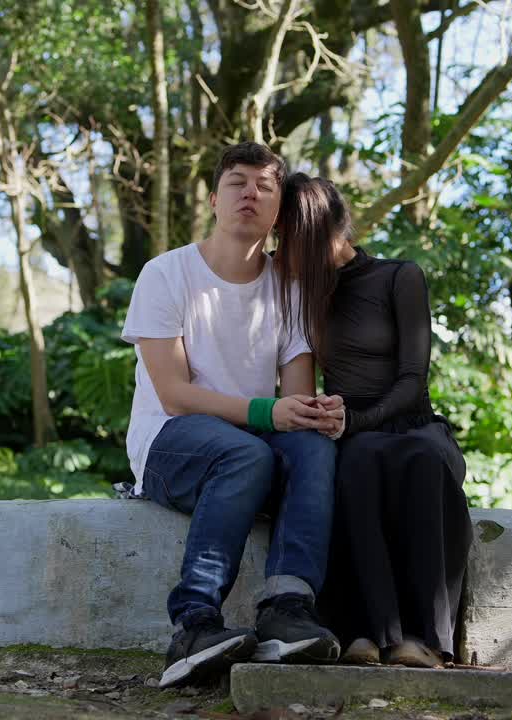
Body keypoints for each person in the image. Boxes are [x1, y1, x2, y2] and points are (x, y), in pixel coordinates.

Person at [122, 144, 344, 688]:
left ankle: (286, 609)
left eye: (265, 186)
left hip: (249, 451)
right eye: (236, 183)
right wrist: (270, 412)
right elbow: (174, 394)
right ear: (214, 200)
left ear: (277, 212)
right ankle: (194, 625)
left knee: (314, 446)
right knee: (244, 451)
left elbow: (294, 404)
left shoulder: (289, 290)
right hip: (169, 446)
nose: (250, 193)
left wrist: (319, 415)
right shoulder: (166, 274)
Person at [273, 173, 473, 668]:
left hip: (411, 424)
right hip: (352, 433)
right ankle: (362, 632)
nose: (283, 251)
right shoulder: (305, 294)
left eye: (289, 238)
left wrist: (357, 421)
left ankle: (423, 638)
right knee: (354, 465)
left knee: (423, 461)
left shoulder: (400, 276)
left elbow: (413, 379)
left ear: (320, 231)